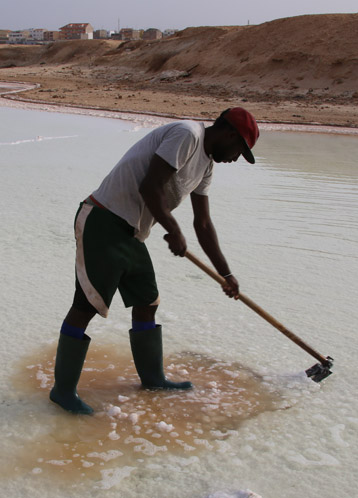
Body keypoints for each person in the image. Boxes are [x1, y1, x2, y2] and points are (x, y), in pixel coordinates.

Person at [49, 107, 259, 414]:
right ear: (230, 135)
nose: (237, 158)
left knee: (147, 301)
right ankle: (62, 391)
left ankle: (153, 378)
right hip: (104, 220)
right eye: (241, 150)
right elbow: (150, 185)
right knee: (86, 306)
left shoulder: (207, 167)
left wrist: (226, 273)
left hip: (132, 233)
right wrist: (173, 230)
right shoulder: (188, 134)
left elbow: (203, 224)